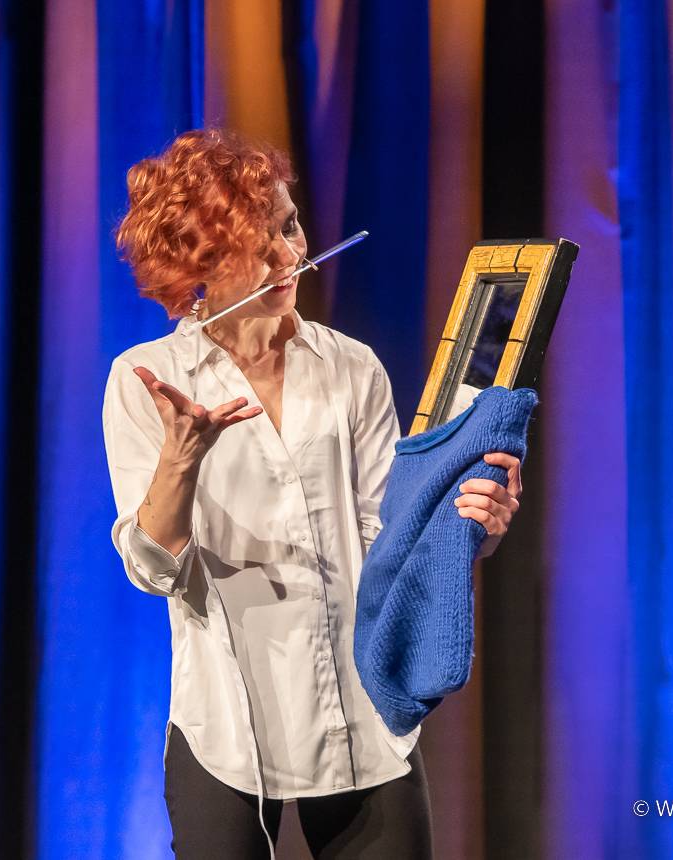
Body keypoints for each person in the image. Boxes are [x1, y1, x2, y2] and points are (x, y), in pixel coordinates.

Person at [101, 127, 523, 859]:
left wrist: (471, 530)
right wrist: (182, 459)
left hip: (361, 719)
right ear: (202, 259)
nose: (288, 256)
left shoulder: (350, 368)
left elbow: (389, 542)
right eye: (256, 244)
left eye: (289, 227)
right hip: (225, 731)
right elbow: (155, 570)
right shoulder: (147, 380)